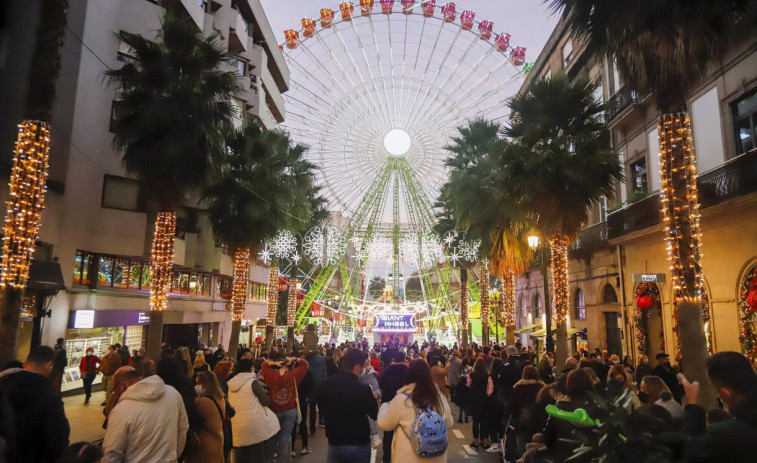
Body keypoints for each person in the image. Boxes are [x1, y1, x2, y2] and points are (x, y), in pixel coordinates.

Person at [680, 352, 757, 462]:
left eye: (717, 391)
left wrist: (692, 404)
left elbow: (691, 454)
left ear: (725, 393)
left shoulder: (725, 433)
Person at [103, 366, 189, 462]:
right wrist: (174, 456)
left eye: (115, 390)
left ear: (122, 385)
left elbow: (111, 453)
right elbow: (183, 429)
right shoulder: (173, 394)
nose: (116, 393)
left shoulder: (121, 410)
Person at [0, 346, 70, 462]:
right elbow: (57, 440)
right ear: (49, 365)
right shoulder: (50, 398)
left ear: (25, 363)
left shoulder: (3, 385)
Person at [377, 359, 454, 463]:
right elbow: (449, 422)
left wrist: (386, 405)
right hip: (436, 457)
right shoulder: (439, 397)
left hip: (408, 458)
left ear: (409, 375)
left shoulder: (402, 400)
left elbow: (384, 424)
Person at [317, 348, 379, 463]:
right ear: (356, 368)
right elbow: (374, 413)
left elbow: (322, 407)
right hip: (359, 442)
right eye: (362, 367)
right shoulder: (364, 389)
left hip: (335, 442)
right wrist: (373, 397)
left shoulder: (324, 385)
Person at [227, 358, 279, 463]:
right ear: (251, 367)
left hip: (237, 423)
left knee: (240, 455)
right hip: (254, 423)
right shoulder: (253, 382)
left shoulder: (231, 384)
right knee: (256, 455)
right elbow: (265, 400)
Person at [260, 353, 308, 463]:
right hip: (290, 409)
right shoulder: (293, 375)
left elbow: (263, 365)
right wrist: (294, 359)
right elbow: (305, 365)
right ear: (287, 364)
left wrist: (273, 363)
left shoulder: (271, 375)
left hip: (274, 409)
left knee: (272, 436)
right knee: (285, 437)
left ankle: (268, 459)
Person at [184, 371, 228, 463]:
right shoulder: (221, 399)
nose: (196, 387)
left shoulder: (201, 402)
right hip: (218, 443)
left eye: (199, 383)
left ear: (207, 384)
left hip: (203, 447)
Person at [507, 366, 545, 457]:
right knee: (537, 448)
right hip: (539, 423)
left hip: (522, 422)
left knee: (522, 447)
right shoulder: (543, 388)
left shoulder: (519, 388)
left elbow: (511, 406)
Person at [379, 350, 409, 463]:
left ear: (393, 359)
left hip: (388, 403)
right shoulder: (408, 371)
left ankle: (386, 457)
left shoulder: (386, 370)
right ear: (404, 359)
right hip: (405, 404)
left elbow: (380, 384)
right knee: (404, 431)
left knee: (388, 431)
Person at [304, 344, 327, 436]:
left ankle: (311, 428)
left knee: (311, 408)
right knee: (322, 406)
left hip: (309, 387)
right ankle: (323, 422)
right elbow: (324, 373)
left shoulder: (305, 359)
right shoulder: (322, 359)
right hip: (320, 385)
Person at [467, 357, 490, 450]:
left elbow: (468, 385)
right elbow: (489, 388)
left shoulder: (471, 375)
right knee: (484, 422)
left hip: (474, 400)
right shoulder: (488, 376)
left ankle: (475, 441)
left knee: (475, 422)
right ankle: (485, 442)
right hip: (485, 401)